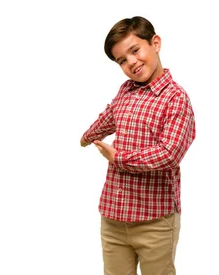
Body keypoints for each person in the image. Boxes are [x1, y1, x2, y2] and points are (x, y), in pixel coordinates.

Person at [80, 16, 196, 275]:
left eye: (135, 50)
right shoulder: (126, 90)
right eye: (122, 60)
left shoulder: (176, 99)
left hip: (154, 221)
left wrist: (118, 158)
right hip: (113, 217)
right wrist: (87, 136)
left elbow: (168, 155)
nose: (131, 62)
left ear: (155, 43)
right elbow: (110, 116)